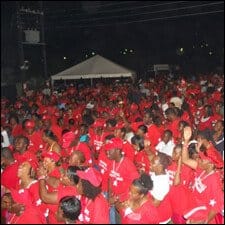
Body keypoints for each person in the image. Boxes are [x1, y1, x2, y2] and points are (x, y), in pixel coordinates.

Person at [182, 126, 224, 224]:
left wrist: (205, 222)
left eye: (201, 159)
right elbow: (185, 160)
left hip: (203, 214)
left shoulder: (215, 181)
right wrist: (186, 142)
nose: (198, 160)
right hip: (195, 205)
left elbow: (216, 206)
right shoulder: (203, 169)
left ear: (210, 164)